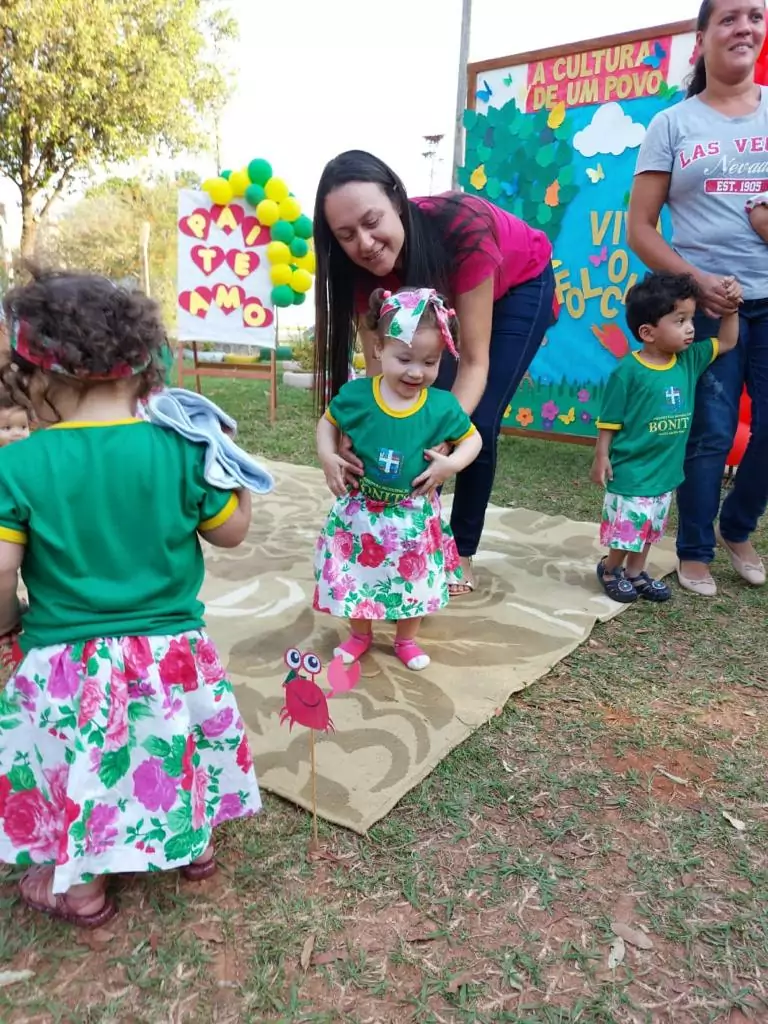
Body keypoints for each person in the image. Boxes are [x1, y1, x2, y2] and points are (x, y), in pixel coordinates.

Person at [0, 269, 261, 928]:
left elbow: (1, 572)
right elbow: (231, 533)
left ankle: (82, 889)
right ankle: (194, 847)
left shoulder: (18, 466)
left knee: (83, 760)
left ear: (40, 375)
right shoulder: (181, 450)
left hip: (69, 659)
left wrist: (8, 625)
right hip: (172, 654)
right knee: (172, 741)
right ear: (143, 367)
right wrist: (233, 473)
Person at [313, 150, 555, 596]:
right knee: (412, 405)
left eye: (372, 221)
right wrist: (359, 431)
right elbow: (381, 377)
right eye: (346, 235)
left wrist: (441, 433)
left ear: (397, 201)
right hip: (442, 291)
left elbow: (475, 362)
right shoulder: (360, 272)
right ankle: (412, 534)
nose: (364, 243)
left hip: (518, 284)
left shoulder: (462, 229)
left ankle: (458, 552)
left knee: (472, 422)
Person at [627, 0, 768, 597]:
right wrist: (697, 282)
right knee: (710, 431)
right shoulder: (672, 124)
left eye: (755, 15)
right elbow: (640, 229)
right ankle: (694, 549)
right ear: (703, 37)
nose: (745, 27)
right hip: (704, 309)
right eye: (729, 18)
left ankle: (738, 527)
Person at [314, 287, 482, 671]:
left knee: (413, 582)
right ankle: (360, 635)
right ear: (378, 349)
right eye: (404, 358)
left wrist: (450, 465)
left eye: (430, 361)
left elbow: (472, 439)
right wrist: (327, 455)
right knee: (358, 576)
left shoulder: (442, 406)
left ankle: (406, 640)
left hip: (413, 515)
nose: (416, 371)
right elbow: (328, 422)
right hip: (361, 512)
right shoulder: (358, 396)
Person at [592, 272, 740, 603]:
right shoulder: (628, 372)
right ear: (648, 332)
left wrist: (731, 309)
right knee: (628, 530)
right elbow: (610, 420)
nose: (691, 328)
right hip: (632, 471)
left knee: (649, 529)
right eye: (680, 321)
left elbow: (728, 342)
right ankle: (610, 568)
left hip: (666, 471)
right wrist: (601, 456)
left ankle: (635, 573)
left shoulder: (689, 360)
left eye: (691, 319)